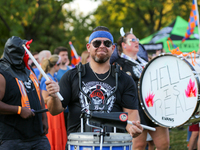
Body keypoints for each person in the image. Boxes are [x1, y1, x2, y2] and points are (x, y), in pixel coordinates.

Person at [45, 26, 143, 148]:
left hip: (114, 144)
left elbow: (131, 116)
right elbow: (55, 110)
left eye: (106, 43)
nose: (101, 46)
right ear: (88, 47)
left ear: (112, 48)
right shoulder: (72, 76)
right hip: (80, 144)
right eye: (96, 43)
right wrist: (53, 96)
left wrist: (133, 128)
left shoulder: (125, 79)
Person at [113, 30, 170, 150]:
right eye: (132, 40)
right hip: (135, 108)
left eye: (137, 39)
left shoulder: (146, 62)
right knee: (138, 146)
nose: (136, 42)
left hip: (155, 107)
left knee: (163, 145)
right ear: (124, 45)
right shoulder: (119, 64)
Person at [0, 36, 50, 149]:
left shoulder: (28, 69)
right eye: (25, 50)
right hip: (12, 138)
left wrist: (44, 118)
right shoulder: (2, 73)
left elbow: (38, 94)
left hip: (37, 136)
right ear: (16, 53)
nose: (28, 53)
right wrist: (19, 110)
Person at [39, 55, 67, 150]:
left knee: (59, 134)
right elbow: (43, 98)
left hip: (57, 110)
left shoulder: (52, 77)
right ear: (55, 65)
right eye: (59, 64)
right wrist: (55, 97)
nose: (60, 67)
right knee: (54, 134)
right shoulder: (46, 79)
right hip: (50, 111)